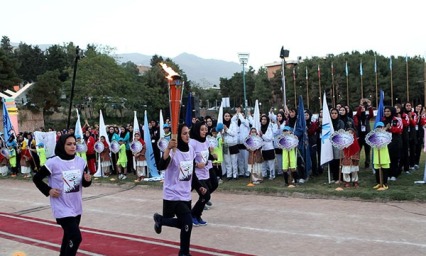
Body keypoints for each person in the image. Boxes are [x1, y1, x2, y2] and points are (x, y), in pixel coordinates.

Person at [33, 133, 92, 255]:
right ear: (62, 145)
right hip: (61, 207)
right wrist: (48, 190)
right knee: (76, 238)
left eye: (74, 144)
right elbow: (37, 178)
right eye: (69, 144)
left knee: (68, 238)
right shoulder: (53, 162)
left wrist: (87, 180)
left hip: (76, 207)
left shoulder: (81, 162)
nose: (73, 147)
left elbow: (84, 184)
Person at [153, 124, 206, 256]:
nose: (187, 135)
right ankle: (184, 253)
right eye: (184, 133)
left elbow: (191, 173)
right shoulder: (173, 151)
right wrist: (168, 149)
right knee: (188, 222)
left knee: (185, 224)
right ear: (178, 136)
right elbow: (161, 166)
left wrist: (199, 186)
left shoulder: (191, 150)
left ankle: (161, 220)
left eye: (188, 133)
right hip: (172, 194)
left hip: (185, 194)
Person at [190, 121, 215, 226]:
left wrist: (213, 155)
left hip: (206, 169)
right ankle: (193, 215)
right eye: (202, 129)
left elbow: (207, 155)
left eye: (205, 129)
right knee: (206, 194)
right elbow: (188, 158)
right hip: (196, 173)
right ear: (196, 130)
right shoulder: (192, 143)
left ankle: (197, 214)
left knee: (213, 185)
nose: (205, 131)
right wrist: (196, 164)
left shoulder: (205, 141)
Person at [372, 122, 391, 190]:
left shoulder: (387, 135)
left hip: (384, 156)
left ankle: (385, 183)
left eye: (380, 127)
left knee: (385, 171)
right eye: (378, 128)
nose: (379, 129)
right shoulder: (373, 136)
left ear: (383, 128)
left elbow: (388, 140)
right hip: (377, 156)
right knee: (377, 171)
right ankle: (378, 183)